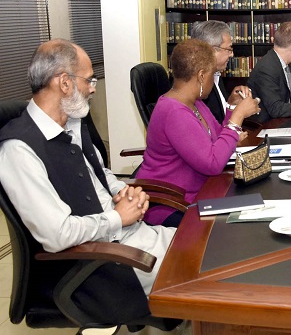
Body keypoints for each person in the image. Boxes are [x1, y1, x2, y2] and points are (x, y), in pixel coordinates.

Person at [0, 39, 175, 295]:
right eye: (89, 80)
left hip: (130, 237)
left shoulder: (71, 124)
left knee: (208, 243)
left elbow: (99, 174)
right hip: (103, 263)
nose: (93, 89)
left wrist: (123, 192)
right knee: (208, 271)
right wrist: (117, 217)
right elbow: (57, 234)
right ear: (64, 83)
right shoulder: (19, 150)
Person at [135, 39, 260, 227]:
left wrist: (232, 107)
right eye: (212, 74)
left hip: (201, 192)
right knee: (246, 224)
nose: (214, 79)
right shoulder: (174, 112)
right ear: (201, 76)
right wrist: (240, 115)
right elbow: (213, 163)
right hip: (173, 204)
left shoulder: (195, 103)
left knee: (256, 202)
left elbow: (218, 138)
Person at [192, 20, 241, 123]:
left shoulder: (216, 74)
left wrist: (231, 104)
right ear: (211, 50)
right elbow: (213, 133)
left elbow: (221, 120)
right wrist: (240, 113)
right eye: (228, 49)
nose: (232, 55)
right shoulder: (198, 84)